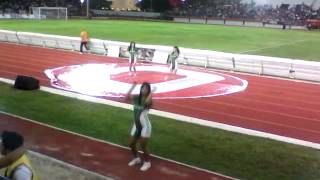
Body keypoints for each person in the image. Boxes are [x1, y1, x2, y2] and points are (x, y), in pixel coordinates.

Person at [126, 82, 153, 171]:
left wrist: (151, 93)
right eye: (142, 87)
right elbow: (126, 97)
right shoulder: (136, 97)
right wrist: (132, 86)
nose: (143, 89)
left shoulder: (149, 100)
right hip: (136, 125)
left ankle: (147, 162)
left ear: (148, 90)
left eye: (146, 88)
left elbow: (146, 102)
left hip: (145, 126)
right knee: (131, 143)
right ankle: (136, 158)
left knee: (143, 145)